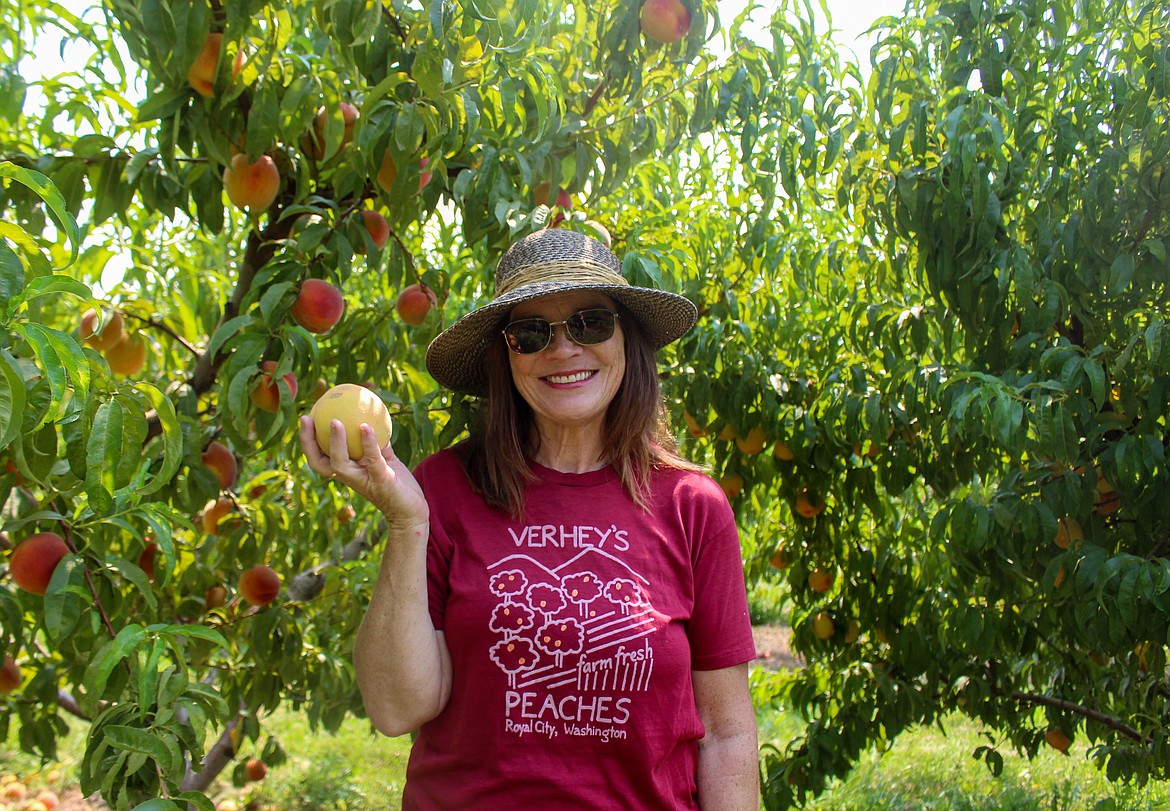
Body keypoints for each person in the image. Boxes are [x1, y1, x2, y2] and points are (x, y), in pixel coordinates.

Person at [300, 228, 759, 810]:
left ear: (628, 340)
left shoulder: (692, 505)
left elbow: (727, 734)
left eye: (591, 322)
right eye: (531, 333)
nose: (563, 350)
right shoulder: (444, 487)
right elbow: (396, 709)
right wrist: (405, 525)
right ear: (505, 356)